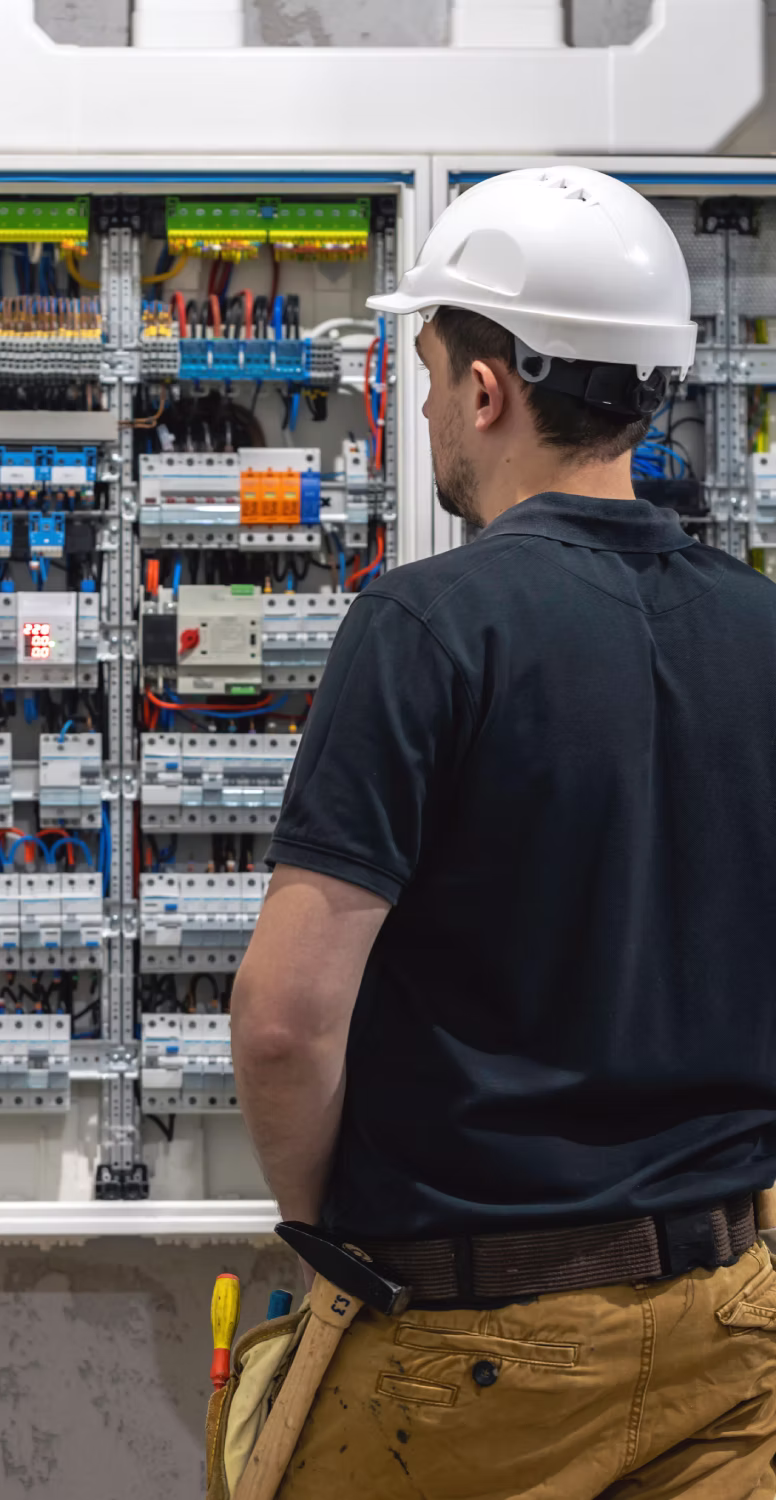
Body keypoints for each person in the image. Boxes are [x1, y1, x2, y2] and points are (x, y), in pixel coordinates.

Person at [229, 166, 776, 1499]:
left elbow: (285, 1024)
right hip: (737, 1327)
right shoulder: (763, 631)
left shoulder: (421, 629)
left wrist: (320, 1227)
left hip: (473, 1348)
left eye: (424, 374)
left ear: (487, 390)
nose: (421, 410)